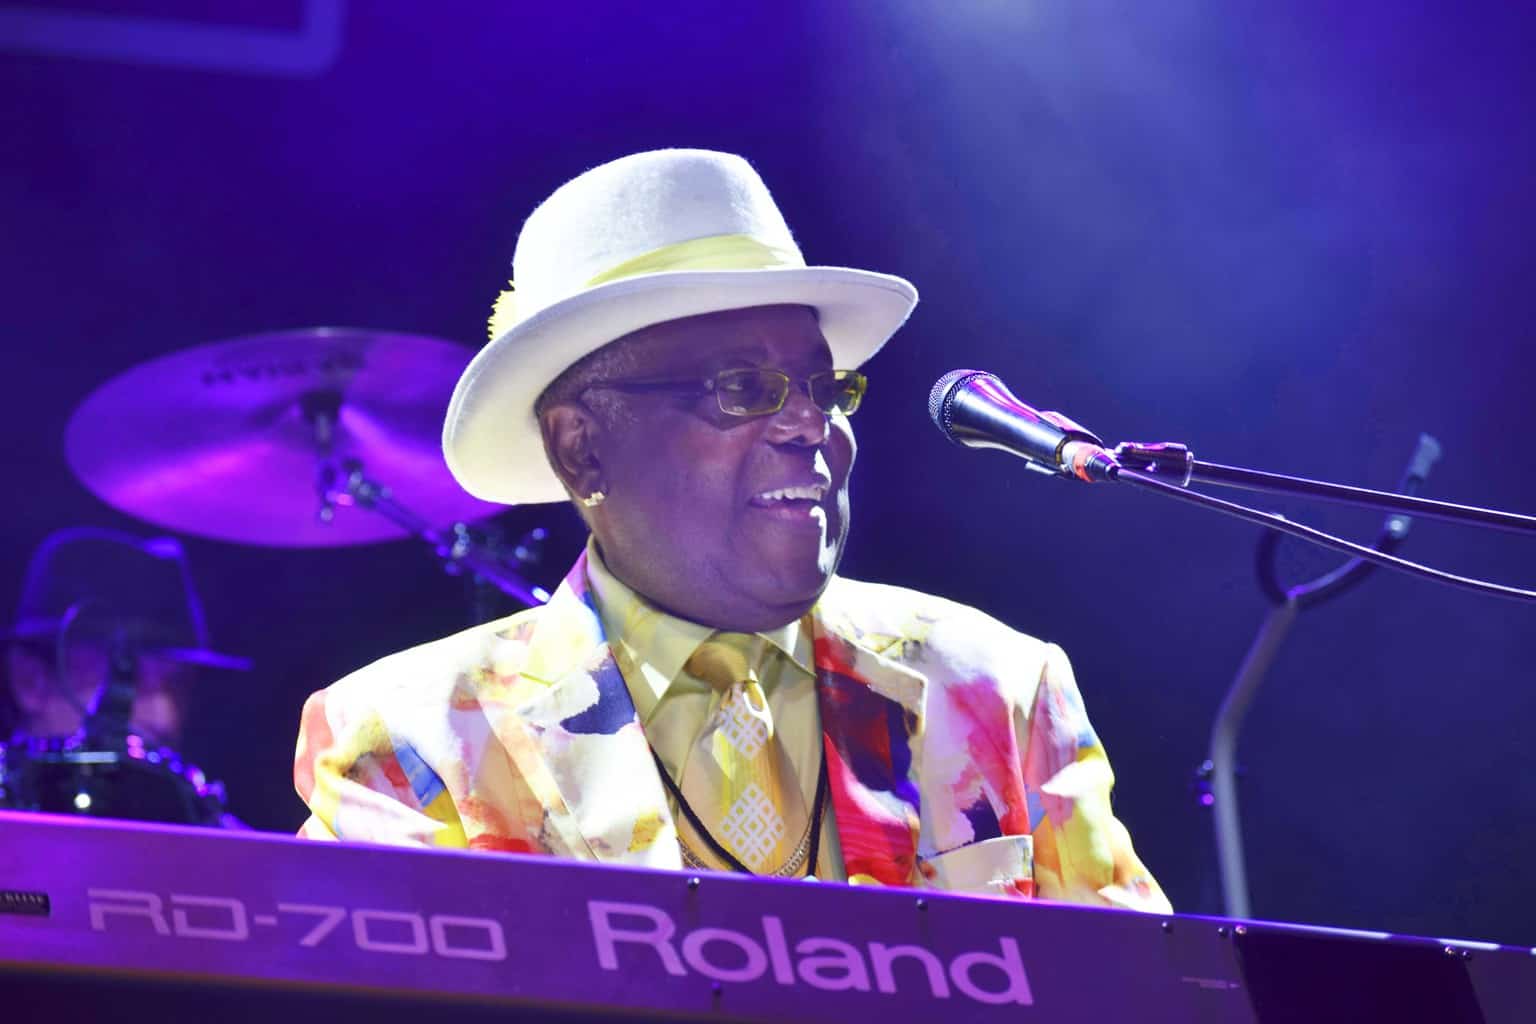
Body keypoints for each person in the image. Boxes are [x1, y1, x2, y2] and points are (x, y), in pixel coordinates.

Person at [294, 150, 1169, 910]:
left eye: (826, 388)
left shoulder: (1000, 687)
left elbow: (1140, 994)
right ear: (580, 447)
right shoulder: (414, 737)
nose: (811, 424)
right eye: (742, 389)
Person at [2, 526, 245, 825]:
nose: (164, 718)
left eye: (178, 686)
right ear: (29, 680)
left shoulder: (217, 834)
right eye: (130, 679)